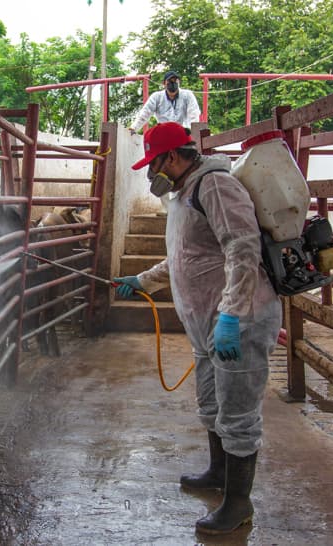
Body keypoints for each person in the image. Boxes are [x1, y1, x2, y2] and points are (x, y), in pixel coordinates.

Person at [113, 122, 281, 535]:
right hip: (206, 321)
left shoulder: (215, 187)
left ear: (172, 157)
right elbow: (184, 256)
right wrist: (143, 280)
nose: (152, 173)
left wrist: (232, 314)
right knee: (212, 404)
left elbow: (243, 248)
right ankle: (218, 475)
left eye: (154, 163)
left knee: (239, 414)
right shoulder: (184, 194)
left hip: (239, 320)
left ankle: (238, 506)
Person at [128, 70, 201, 135]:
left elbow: (194, 114)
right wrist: (134, 128)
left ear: (179, 82)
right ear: (164, 83)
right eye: (170, 81)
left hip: (183, 134)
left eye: (175, 80)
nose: (173, 83)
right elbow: (145, 113)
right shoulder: (156, 97)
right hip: (164, 135)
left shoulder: (187, 95)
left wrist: (193, 133)